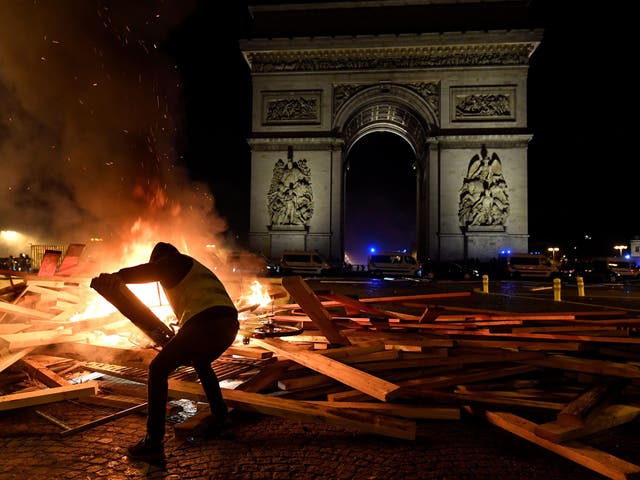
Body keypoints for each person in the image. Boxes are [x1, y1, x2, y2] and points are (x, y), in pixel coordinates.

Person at [94, 242, 239, 462]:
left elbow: (152, 270)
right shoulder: (196, 270)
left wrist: (116, 277)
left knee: (158, 369)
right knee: (201, 363)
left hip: (205, 323)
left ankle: (153, 442)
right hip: (227, 326)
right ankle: (222, 420)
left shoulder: (174, 261)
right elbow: (199, 303)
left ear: (162, 258)